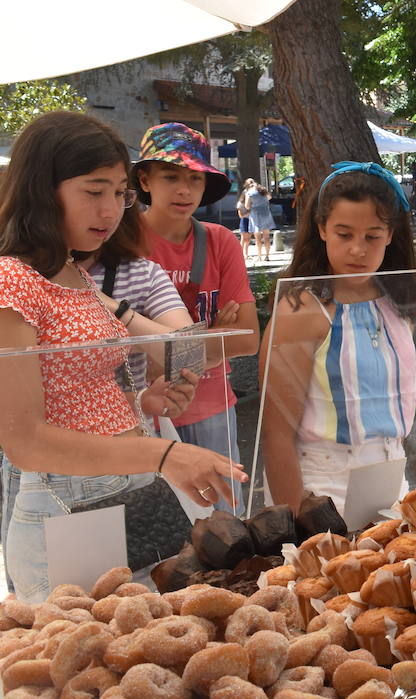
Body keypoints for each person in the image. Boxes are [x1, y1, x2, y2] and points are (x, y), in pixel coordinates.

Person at [0, 112, 244, 600]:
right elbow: (24, 439)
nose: (110, 210)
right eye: (94, 191)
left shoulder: (68, 271)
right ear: (42, 189)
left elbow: (75, 390)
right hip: (69, 503)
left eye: (118, 193)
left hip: (124, 492)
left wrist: (141, 405)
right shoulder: (13, 278)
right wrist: (165, 452)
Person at [259, 162, 416, 512]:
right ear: (322, 230)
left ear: (391, 234)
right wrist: (299, 525)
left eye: (372, 236)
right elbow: (276, 435)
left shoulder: (396, 301)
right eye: (344, 234)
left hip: (394, 474)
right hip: (323, 485)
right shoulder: (302, 308)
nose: (358, 250)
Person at [135, 122, 260, 513]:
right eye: (170, 176)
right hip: (141, 413)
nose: (184, 189)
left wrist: (163, 346)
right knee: (158, 539)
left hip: (213, 410)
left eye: (195, 178)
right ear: (145, 180)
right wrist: (212, 332)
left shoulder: (220, 241)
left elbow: (248, 340)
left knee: (226, 526)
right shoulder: (120, 242)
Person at [246, 178, 275, 261]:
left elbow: (247, 206)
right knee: (266, 236)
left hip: (256, 215)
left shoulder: (250, 193)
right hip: (266, 213)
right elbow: (269, 197)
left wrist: (254, 204)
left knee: (257, 237)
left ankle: (259, 256)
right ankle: (267, 255)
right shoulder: (263, 190)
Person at [236, 181, 253, 258]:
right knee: (243, 237)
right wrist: (248, 212)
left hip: (251, 220)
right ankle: (239, 253)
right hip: (244, 220)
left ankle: (246, 254)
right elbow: (240, 216)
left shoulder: (252, 203)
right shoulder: (240, 204)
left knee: (248, 238)